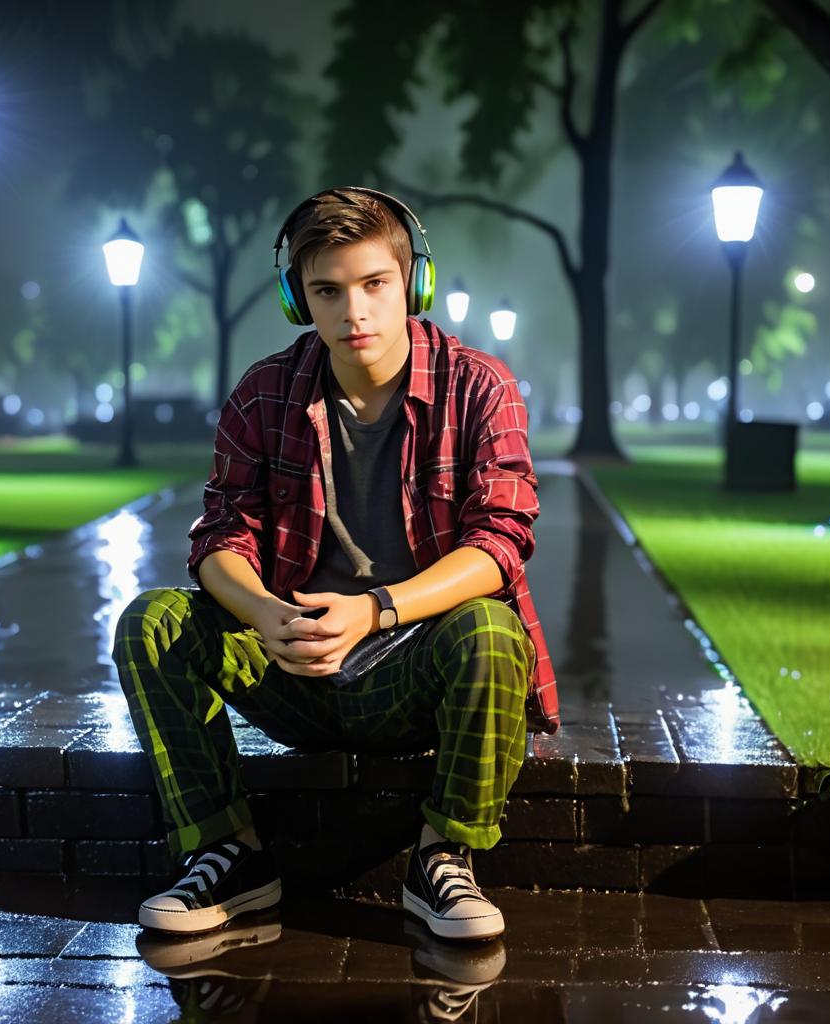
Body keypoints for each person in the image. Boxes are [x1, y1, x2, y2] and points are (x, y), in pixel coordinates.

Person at [113, 186, 559, 943]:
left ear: (412, 282)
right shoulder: (264, 393)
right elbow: (219, 534)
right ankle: (229, 854)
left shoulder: (479, 385)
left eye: (375, 284)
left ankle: (444, 857)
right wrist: (266, 614)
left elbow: (502, 541)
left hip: (410, 665)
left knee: (490, 630)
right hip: (294, 664)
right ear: (298, 299)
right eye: (327, 290)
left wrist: (376, 607)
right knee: (151, 622)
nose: (355, 311)